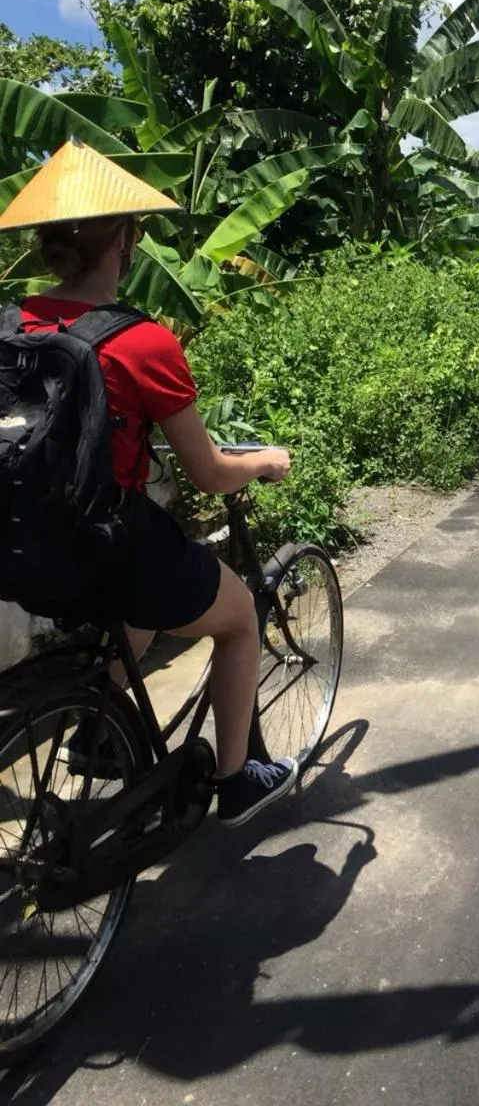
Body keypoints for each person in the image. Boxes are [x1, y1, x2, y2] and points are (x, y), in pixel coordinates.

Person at [0, 140, 298, 827]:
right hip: (110, 546)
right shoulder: (141, 342)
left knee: (136, 612)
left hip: (26, 546)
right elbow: (207, 471)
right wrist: (260, 462)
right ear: (126, 239)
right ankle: (236, 780)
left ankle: (100, 728)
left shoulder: (12, 324)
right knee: (239, 618)